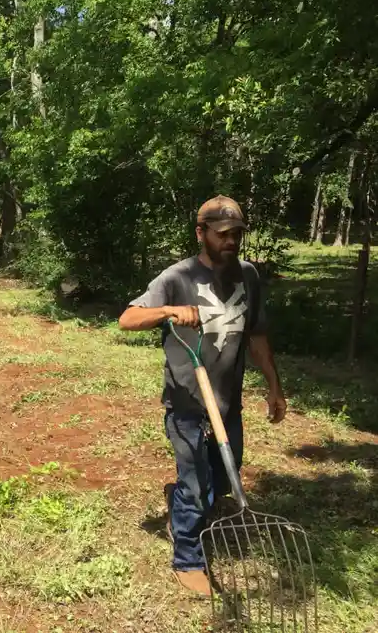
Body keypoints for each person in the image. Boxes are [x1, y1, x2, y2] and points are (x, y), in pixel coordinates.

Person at [118, 195, 287, 596]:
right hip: (188, 405)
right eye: (223, 233)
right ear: (201, 233)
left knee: (224, 477)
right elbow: (127, 319)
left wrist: (274, 386)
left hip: (228, 402)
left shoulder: (248, 276)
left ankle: (181, 499)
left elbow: (257, 336)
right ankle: (188, 557)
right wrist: (169, 311)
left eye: (237, 234)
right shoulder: (177, 277)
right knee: (196, 484)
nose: (231, 241)